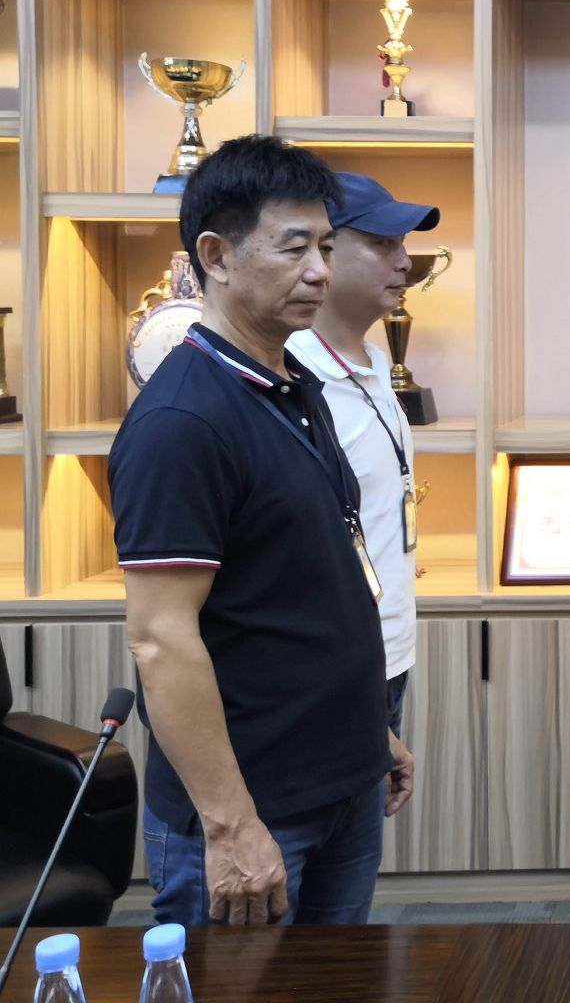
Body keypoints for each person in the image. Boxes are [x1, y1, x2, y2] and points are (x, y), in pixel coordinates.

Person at [111, 136, 414, 927]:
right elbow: (161, 639)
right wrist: (230, 825)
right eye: (294, 248)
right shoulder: (183, 421)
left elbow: (318, 575)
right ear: (216, 255)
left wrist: (369, 734)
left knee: (335, 983)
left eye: (326, 247)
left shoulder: (294, 384)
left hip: (341, 781)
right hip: (255, 812)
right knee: (238, 984)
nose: (319, 271)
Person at [286, 173, 439, 739]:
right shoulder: (294, 377)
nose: (405, 262)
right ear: (323, 250)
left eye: (402, 244)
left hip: (388, 652)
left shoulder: (374, 361)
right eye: (381, 244)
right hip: (329, 671)